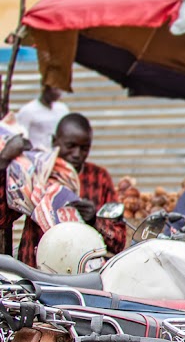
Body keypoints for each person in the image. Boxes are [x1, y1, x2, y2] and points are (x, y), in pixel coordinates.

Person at [0, 113, 126, 267]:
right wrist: (4, 161)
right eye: (70, 146)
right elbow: (2, 218)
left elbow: (118, 244)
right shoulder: (37, 171)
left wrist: (94, 220)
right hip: (36, 271)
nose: (77, 154)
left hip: (81, 277)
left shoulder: (99, 178)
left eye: (84, 148)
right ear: (55, 141)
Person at [15, 86, 69, 153]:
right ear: (44, 87)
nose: (59, 92)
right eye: (55, 88)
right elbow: (20, 137)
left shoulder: (62, 109)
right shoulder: (28, 110)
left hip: (56, 155)